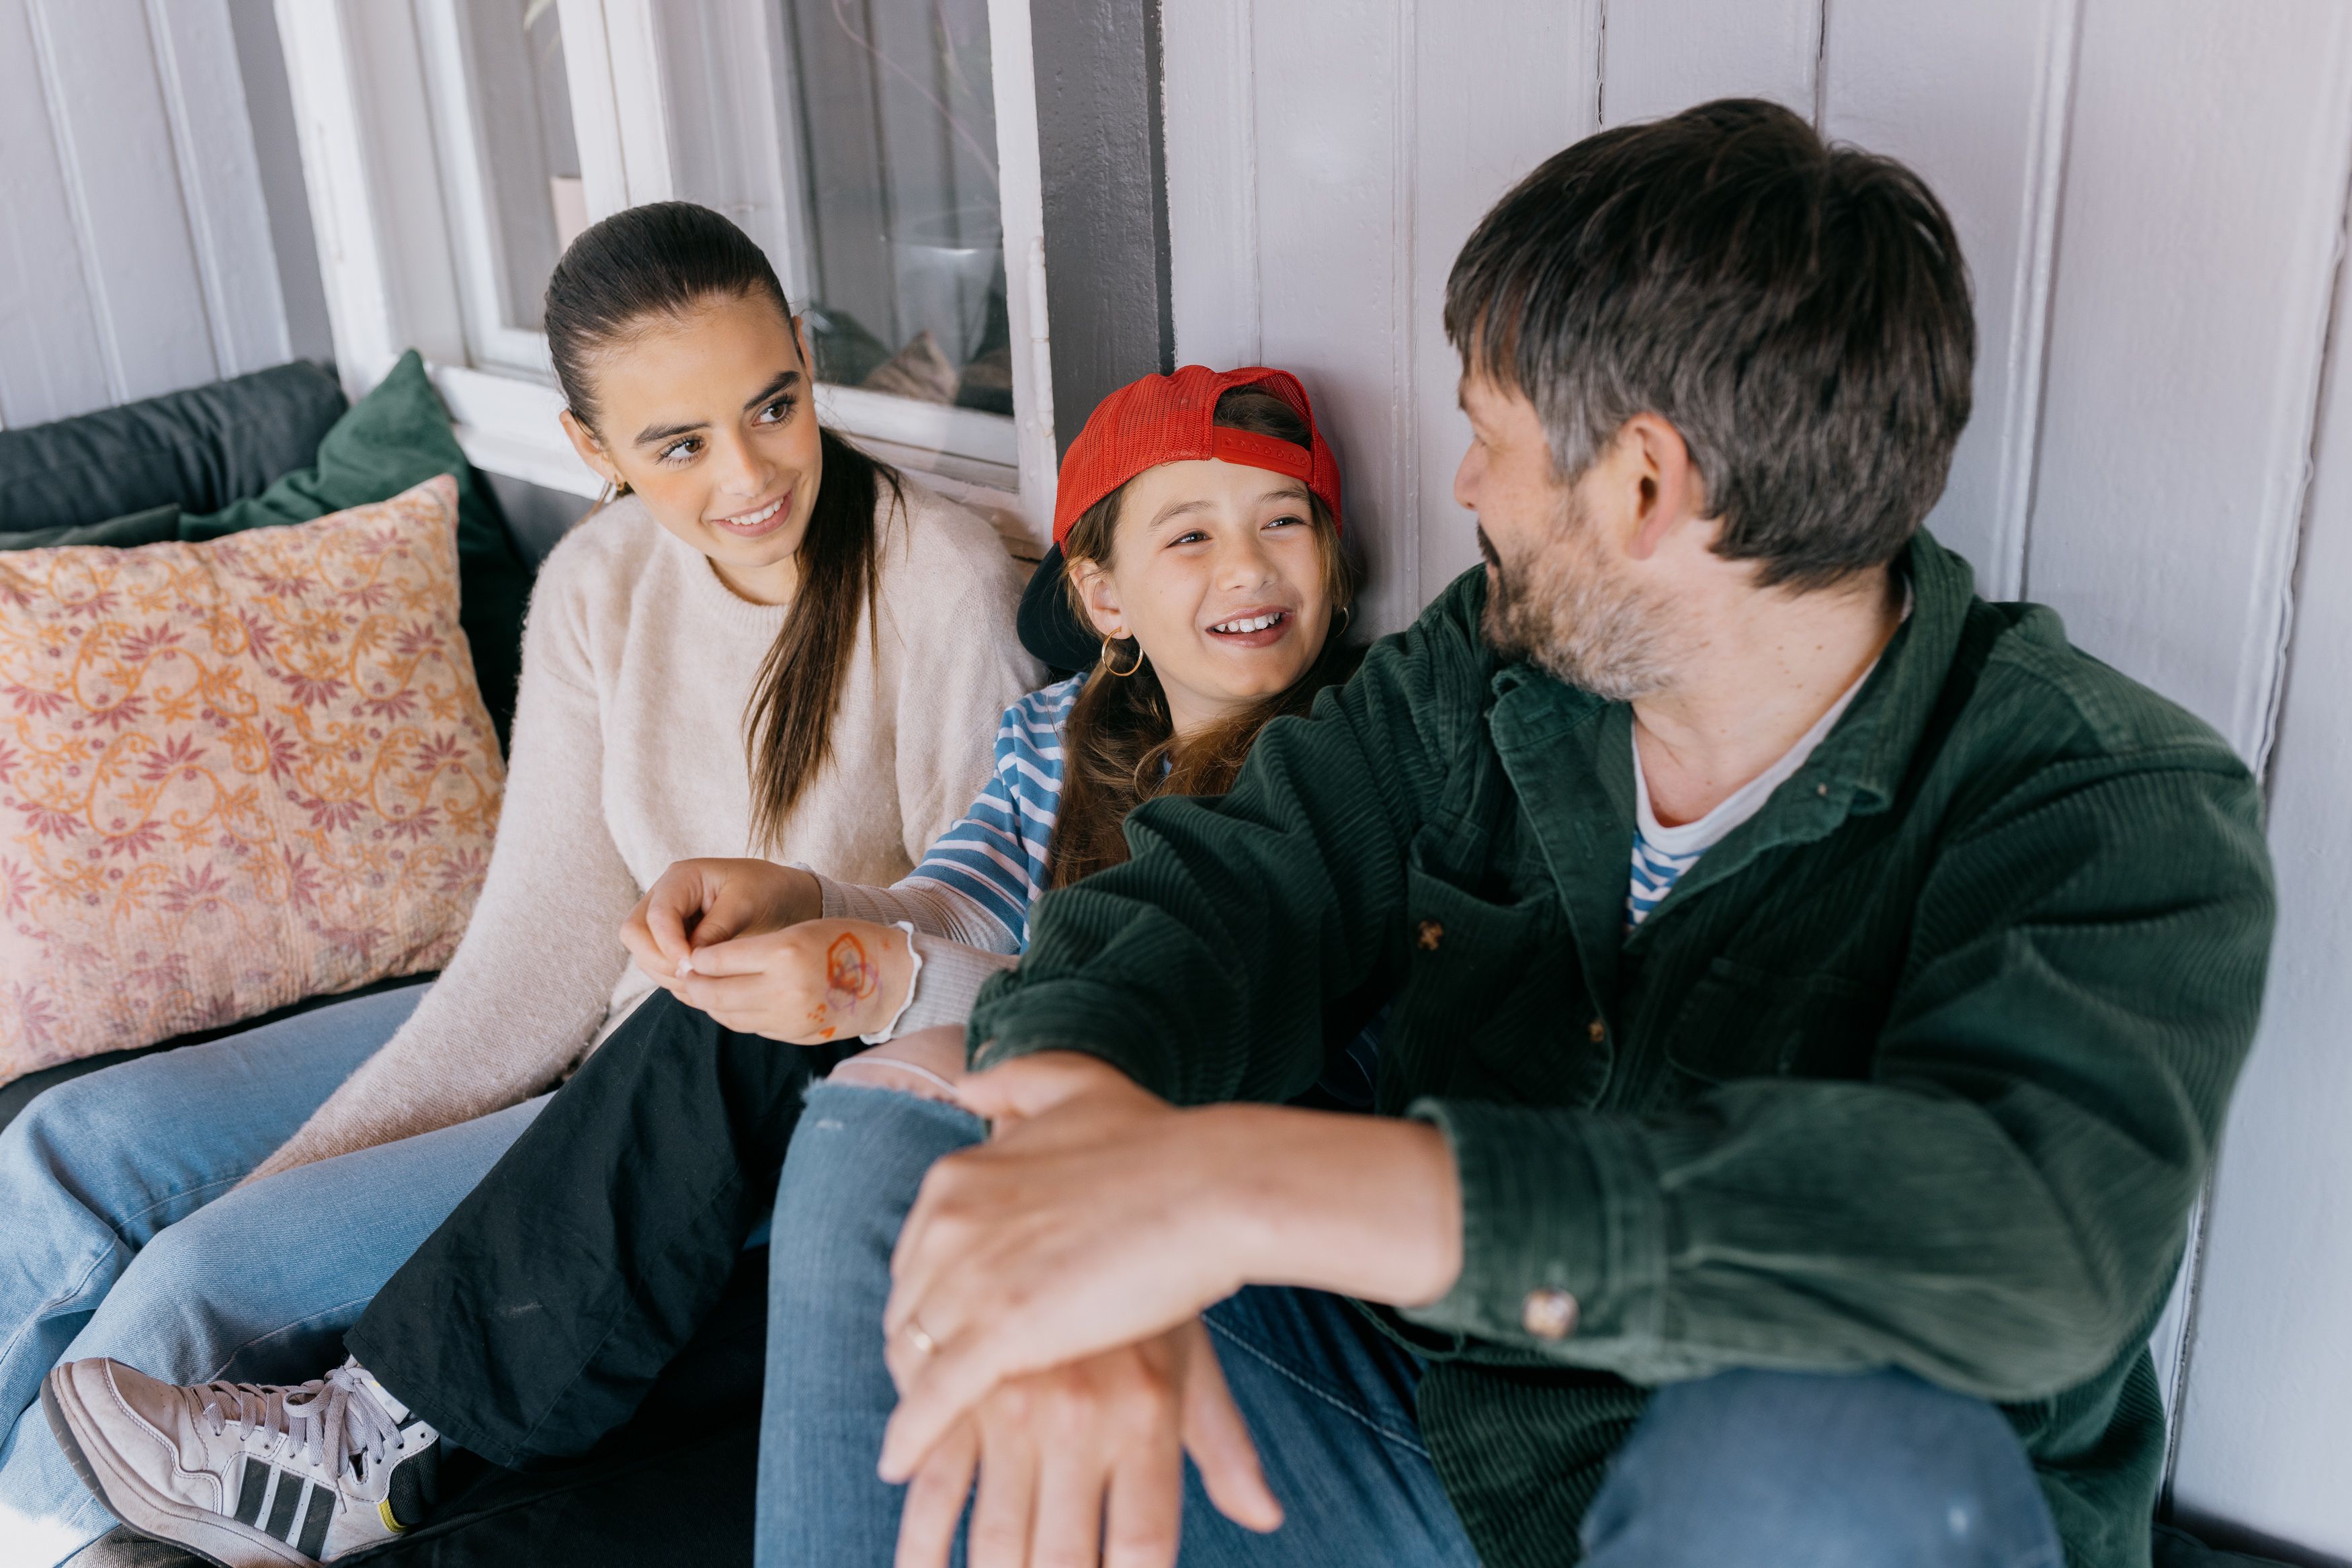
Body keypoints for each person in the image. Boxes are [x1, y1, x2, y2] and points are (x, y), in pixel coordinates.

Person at [737, 99, 2277, 1568]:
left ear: (1647, 485)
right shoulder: (1487, 663)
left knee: (1823, 1471)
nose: (1462, 486)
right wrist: (1080, 1158)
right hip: (1433, 1446)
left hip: (1773, 1512)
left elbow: (2020, 1238)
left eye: (1491, 436)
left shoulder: (2106, 798)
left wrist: (1230, 1190)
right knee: (907, 1138)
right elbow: (1219, 894)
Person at [35, 367, 1372, 1567]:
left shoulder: (1340, 775)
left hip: (1084, 1189)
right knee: (647, 1295)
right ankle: (362, 1459)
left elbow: (1142, 1020)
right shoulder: (1058, 734)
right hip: (909, 1165)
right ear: (1103, 595)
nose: (1245, 569)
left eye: (1283, 523)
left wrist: (869, 977)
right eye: (1189, 535)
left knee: (680, 1304)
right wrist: (804, 904)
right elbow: (950, 907)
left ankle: (376, 1427)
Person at [0, 201, 1039, 1566]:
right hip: (583, 1016)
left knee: (201, 1280)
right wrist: (308, 1168)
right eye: (678, 443)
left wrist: (263, 1218)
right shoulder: (599, 579)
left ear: (802, 353)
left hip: (724, 1090)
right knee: (71, 1149)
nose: (749, 472)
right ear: (591, 451)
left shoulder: (941, 579)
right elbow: (531, 957)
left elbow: (973, 935)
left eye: (774, 403)